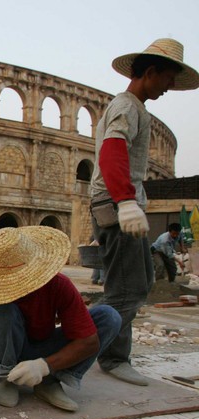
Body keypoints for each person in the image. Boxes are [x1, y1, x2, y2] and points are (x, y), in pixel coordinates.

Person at [89, 38, 199, 386]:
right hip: (115, 204)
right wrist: (124, 201)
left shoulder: (133, 108)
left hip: (120, 203)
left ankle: (94, 344)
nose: (169, 89)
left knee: (141, 283)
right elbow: (111, 151)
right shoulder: (128, 107)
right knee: (126, 289)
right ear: (150, 72)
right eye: (168, 80)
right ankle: (105, 355)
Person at [0, 227, 121, 412]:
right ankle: (6, 378)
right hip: (0, 353)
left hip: (41, 350)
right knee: (3, 309)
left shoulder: (57, 285)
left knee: (109, 317)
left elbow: (89, 341)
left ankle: (50, 381)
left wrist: (44, 366)